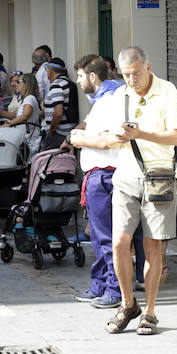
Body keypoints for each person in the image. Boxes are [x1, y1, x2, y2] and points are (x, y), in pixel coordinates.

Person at [104, 47, 177, 336]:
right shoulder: (120, 95)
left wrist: (140, 134)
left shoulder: (167, 91)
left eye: (136, 73)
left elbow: (175, 137)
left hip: (159, 178)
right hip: (126, 177)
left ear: (148, 67)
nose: (131, 79)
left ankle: (149, 311)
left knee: (152, 248)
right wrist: (117, 136)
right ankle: (129, 305)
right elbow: (110, 138)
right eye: (126, 75)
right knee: (119, 243)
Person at [67, 54, 141, 310]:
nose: (78, 81)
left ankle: (114, 289)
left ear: (92, 76)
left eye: (80, 76)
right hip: (99, 175)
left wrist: (80, 140)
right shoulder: (103, 99)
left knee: (108, 237)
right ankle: (100, 283)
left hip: (105, 175)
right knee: (100, 237)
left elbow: (111, 139)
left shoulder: (111, 99)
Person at [0, 72, 42, 158]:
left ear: (26, 84)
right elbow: (16, 115)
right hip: (24, 140)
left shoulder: (29, 98)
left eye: (18, 82)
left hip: (30, 142)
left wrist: (8, 124)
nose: (15, 84)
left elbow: (25, 116)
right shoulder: (23, 99)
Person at [40, 57, 78, 151]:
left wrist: (51, 132)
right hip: (67, 131)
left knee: (47, 158)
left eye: (47, 69)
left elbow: (58, 113)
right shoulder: (68, 83)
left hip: (58, 134)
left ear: (51, 71)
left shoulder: (57, 85)